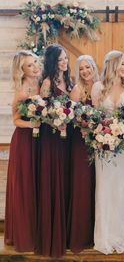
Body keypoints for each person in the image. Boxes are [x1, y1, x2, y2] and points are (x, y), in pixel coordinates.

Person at [91, 50, 124, 254]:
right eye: (123, 63)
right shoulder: (98, 87)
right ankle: (105, 235)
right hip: (104, 146)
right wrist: (103, 133)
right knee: (105, 187)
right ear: (112, 65)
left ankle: (121, 234)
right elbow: (94, 117)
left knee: (123, 186)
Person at [36, 44, 73, 257]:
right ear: (52, 61)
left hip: (67, 138)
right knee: (54, 179)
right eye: (60, 59)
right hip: (51, 139)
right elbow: (42, 113)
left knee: (65, 178)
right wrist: (55, 122)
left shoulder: (67, 81)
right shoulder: (48, 83)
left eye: (66, 58)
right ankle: (52, 235)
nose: (64, 62)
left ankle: (65, 231)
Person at [4, 50, 41, 251]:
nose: (35, 67)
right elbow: (15, 120)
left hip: (41, 141)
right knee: (26, 185)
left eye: (35, 62)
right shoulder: (21, 92)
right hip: (25, 141)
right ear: (22, 70)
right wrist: (31, 124)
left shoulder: (43, 84)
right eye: (29, 65)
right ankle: (25, 234)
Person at [67, 55, 99, 253]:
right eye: (82, 69)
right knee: (83, 183)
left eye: (89, 67)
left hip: (101, 142)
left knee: (98, 184)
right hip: (81, 143)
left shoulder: (100, 85)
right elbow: (71, 117)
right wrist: (83, 126)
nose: (86, 71)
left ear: (94, 67)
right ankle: (81, 233)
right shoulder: (77, 90)